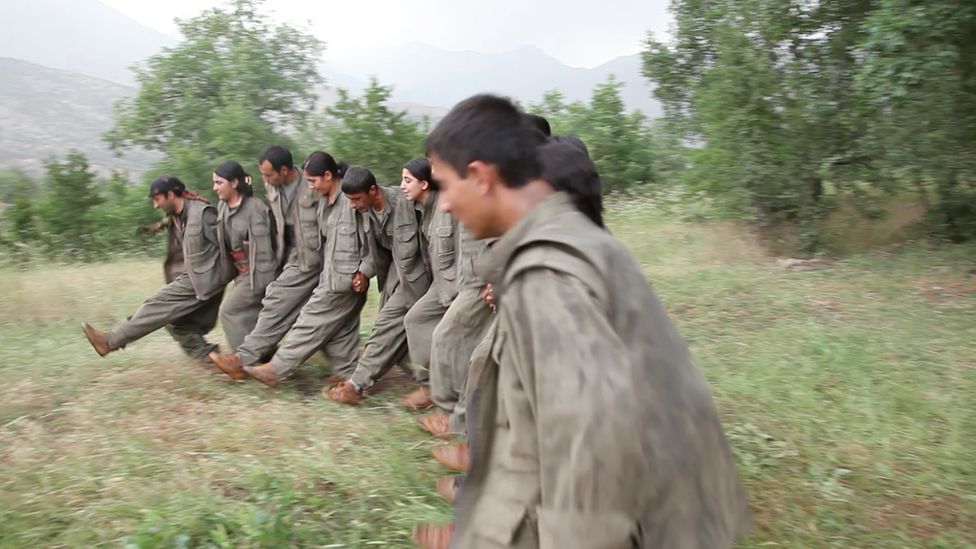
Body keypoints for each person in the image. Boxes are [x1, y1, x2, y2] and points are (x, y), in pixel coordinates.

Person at [411, 94, 751, 549]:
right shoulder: (565, 238)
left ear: (480, 176)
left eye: (447, 186)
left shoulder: (548, 276)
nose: (446, 206)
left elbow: (591, 454)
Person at [238, 157, 371, 388]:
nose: (310, 186)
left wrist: (366, 270)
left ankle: (276, 369)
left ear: (328, 176)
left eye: (313, 180)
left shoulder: (351, 201)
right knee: (341, 327)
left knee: (310, 321)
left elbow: (373, 238)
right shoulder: (324, 202)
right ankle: (348, 375)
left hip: (346, 278)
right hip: (332, 274)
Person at [209, 145, 325, 379]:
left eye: (268, 174)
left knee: (276, 301)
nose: (264, 180)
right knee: (314, 313)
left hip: (313, 256)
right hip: (289, 254)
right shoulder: (272, 186)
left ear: (285, 170)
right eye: (262, 174)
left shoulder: (312, 186)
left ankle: (245, 359)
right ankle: (269, 361)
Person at [81, 176, 227, 360]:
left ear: (171, 194)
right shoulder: (178, 216)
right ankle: (211, 360)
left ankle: (110, 341)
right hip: (196, 278)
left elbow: (228, 244)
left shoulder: (202, 214)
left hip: (203, 278)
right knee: (175, 322)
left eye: (157, 199)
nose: (155, 206)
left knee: (155, 307)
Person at [324, 163, 432, 405]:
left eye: (356, 198)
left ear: (373, 190)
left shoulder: (406, 202)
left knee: (386, 325)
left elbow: (431, 240)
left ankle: (356, 385)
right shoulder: (364, 211)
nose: (352, 205)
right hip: (394, 274)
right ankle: (431, 382)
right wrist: (364, 272)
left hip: (418, 276)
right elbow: (375, 250)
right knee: (399, 333)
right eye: (349, 199)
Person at [399, 158, 460, 410]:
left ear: (424, 184)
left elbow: (464, 252)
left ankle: (453, 396)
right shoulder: (423, 210)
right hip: (441, 285)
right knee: (416, 319)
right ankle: (429, 386)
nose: (402, 186)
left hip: (459, 285)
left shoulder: (448, 207)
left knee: (449, 337)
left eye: (407, 180)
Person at [211, 160, 279, 353]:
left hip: (258, 274)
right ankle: (265, 357)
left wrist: (262, 285)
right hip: (240, 274)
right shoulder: (223, 207)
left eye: (219, 182)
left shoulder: (255, 208)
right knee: (251, 317)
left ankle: (243, 360)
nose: (214, 187)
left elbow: (264, 252)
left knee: (229, 311)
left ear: (234, 183)